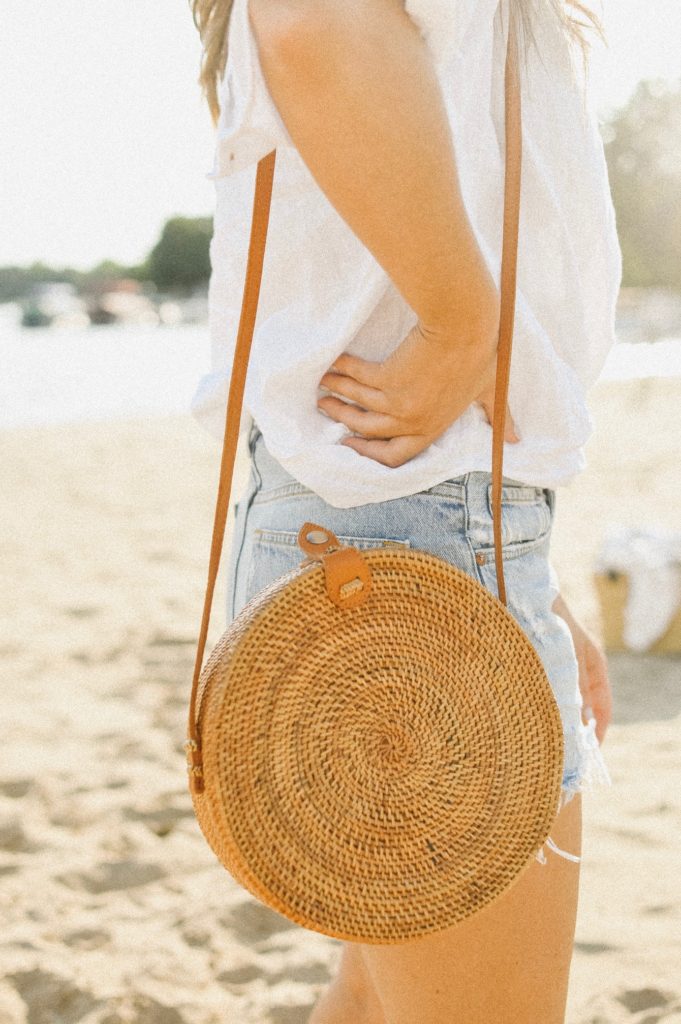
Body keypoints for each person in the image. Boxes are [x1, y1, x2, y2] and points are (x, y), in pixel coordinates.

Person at [189, 0, 621, 1020]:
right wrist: (466, 321)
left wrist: (529, 579)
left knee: (385, 999)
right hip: (417, 517)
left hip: (409, 518)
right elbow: (312, 15)